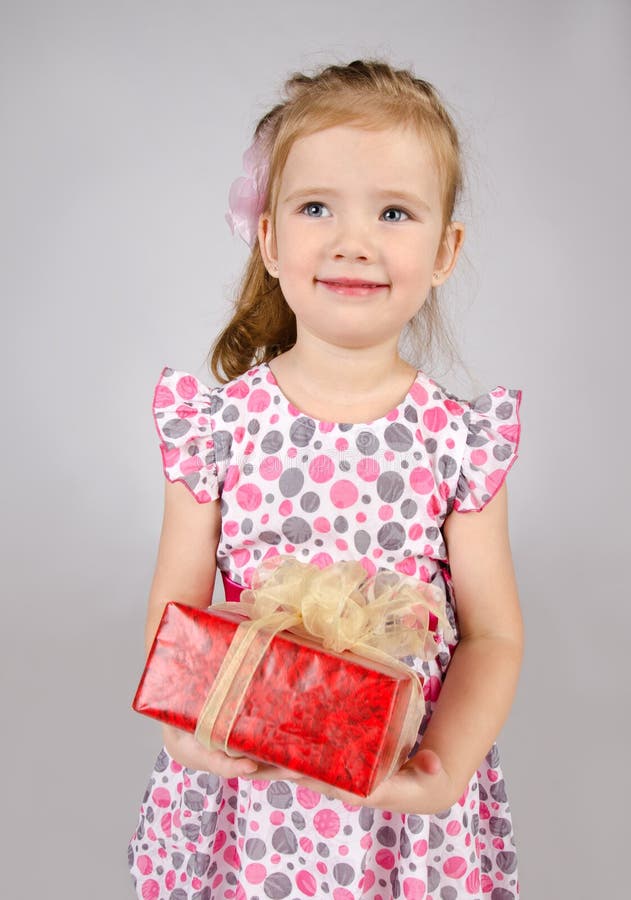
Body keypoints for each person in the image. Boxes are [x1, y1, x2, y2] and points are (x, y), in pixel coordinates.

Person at [128, 58, 524, 899]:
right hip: (246, 801)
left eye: (393, 211)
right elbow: (175, 616)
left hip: (398, 800)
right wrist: (185, 739)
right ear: (268, 238)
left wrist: (442, 772)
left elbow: (492, 635)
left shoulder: (457, 441)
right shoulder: (217, 430)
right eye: (316, 208)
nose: (353, 240)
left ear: (445, 249)